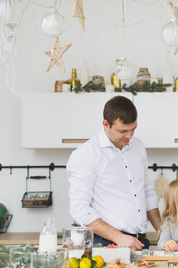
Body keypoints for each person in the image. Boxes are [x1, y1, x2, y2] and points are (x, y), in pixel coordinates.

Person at [66, 96, 161, 250]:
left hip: (140, 242)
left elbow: (147, 192)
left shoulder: (138, 146)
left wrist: (163, 234)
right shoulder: (86, 154)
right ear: (106, 124)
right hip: (106, 243)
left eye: (133, 129)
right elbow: (79, 209)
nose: (129, 136)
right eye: (123, 131)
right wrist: (119, 238)